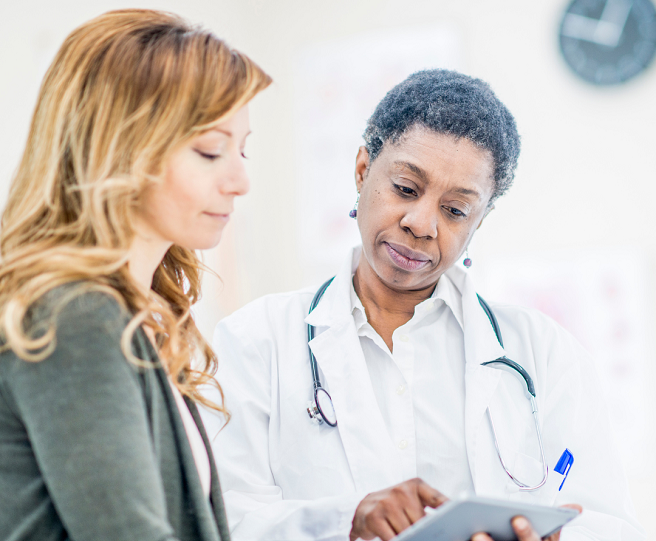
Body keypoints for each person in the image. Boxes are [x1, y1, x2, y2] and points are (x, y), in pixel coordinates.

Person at [200, 70, 644, 541]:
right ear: (362, 169)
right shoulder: (255, 341)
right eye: (406, 189)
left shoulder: (544, 353)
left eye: (455, 210)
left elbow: (608, 524)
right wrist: (345, 522)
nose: (421, 223)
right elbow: (221, 517)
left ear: (480, 220)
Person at [0, 9, 270, 541]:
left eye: (243, 149)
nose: (240, 179)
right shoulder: (74, 316)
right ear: (123, 147)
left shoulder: (139, 314)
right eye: (210, 151)